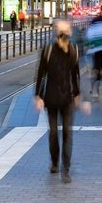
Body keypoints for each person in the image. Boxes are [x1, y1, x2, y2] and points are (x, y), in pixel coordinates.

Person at [34, 25, 84, 183]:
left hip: (67, 98)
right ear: (58, 37)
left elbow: (76, 74)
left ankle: (66, 169)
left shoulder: (73, 50)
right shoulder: (48, 51)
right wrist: (38, 96)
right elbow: (41, 73)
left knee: (67, 134)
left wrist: (77, 94)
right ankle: (55, 162)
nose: (66, 44)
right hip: (51, 98)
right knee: (53, 132)